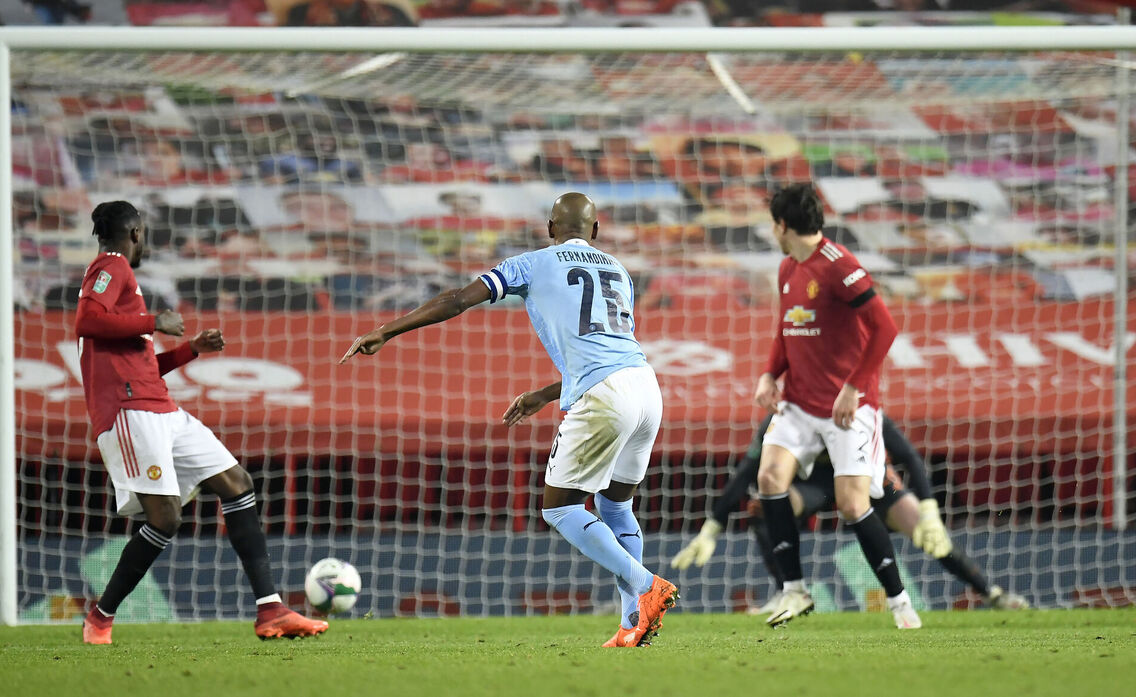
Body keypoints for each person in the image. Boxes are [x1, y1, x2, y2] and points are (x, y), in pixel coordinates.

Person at [341, 192, 678, 648]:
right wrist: (545, 393)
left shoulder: (532, 262)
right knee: (616, 506)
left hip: (606, 396)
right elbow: (607, 354)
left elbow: (458, 299)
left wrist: (387, 329)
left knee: (559, 507)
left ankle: (645, 585)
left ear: (549, 228)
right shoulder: (618, 270)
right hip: (645, 386)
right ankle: (630, 625)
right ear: (596, 231)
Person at [76, 201, 328, 645]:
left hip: (159, 406)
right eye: (145, 233)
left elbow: (142, 366)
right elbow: (87, 320)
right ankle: (100, 617)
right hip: (129, 412)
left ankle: (270, 609)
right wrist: (155, 320)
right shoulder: (111, 266)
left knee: (236, 481)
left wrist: (190, 349)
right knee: (166, 518)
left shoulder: (123, 282)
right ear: (135, 232)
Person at [752, 182, 919, 629]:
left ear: (782, 225)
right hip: (800, 403)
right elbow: (789, 330)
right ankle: (793, 592)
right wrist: (771, 374)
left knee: (850, 504)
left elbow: (885, 329)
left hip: (849, 408)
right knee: (769, 477)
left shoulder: (840, 266)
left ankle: (901, 602)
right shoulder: (788, 268)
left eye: (773, 222)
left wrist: (854, 387)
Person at [671, 414, 1031, 613]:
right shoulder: (780, 420)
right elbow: (747, 475)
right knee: (764, 507)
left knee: (925, 531)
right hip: (814, 483)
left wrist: (929, 508)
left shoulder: (861, 409)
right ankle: (790, 593)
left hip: (866, 477)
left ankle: (991, 593)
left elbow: (909, 458)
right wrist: (711, 529)